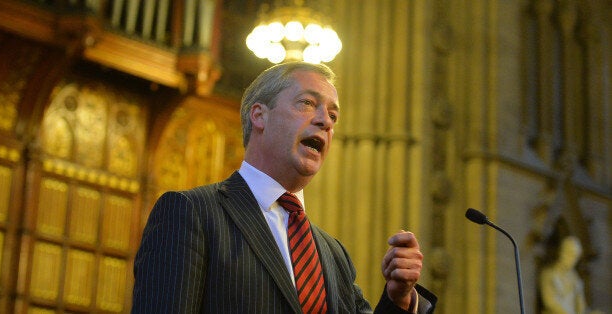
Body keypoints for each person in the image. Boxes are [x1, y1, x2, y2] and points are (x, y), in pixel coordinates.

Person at [132, 61, 437, 313]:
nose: (326, 122)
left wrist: (399, 298)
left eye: (333, 115)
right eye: (307, 103)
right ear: (260, 115)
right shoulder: (191, 213)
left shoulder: (332, 254)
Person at [539, 236, 587, 314]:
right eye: (570, 254)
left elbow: (581, 306)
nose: (573, 259)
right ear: (562, 252)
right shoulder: (548, 274)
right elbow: (550, 302)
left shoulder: (575, 278)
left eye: (575, 257)